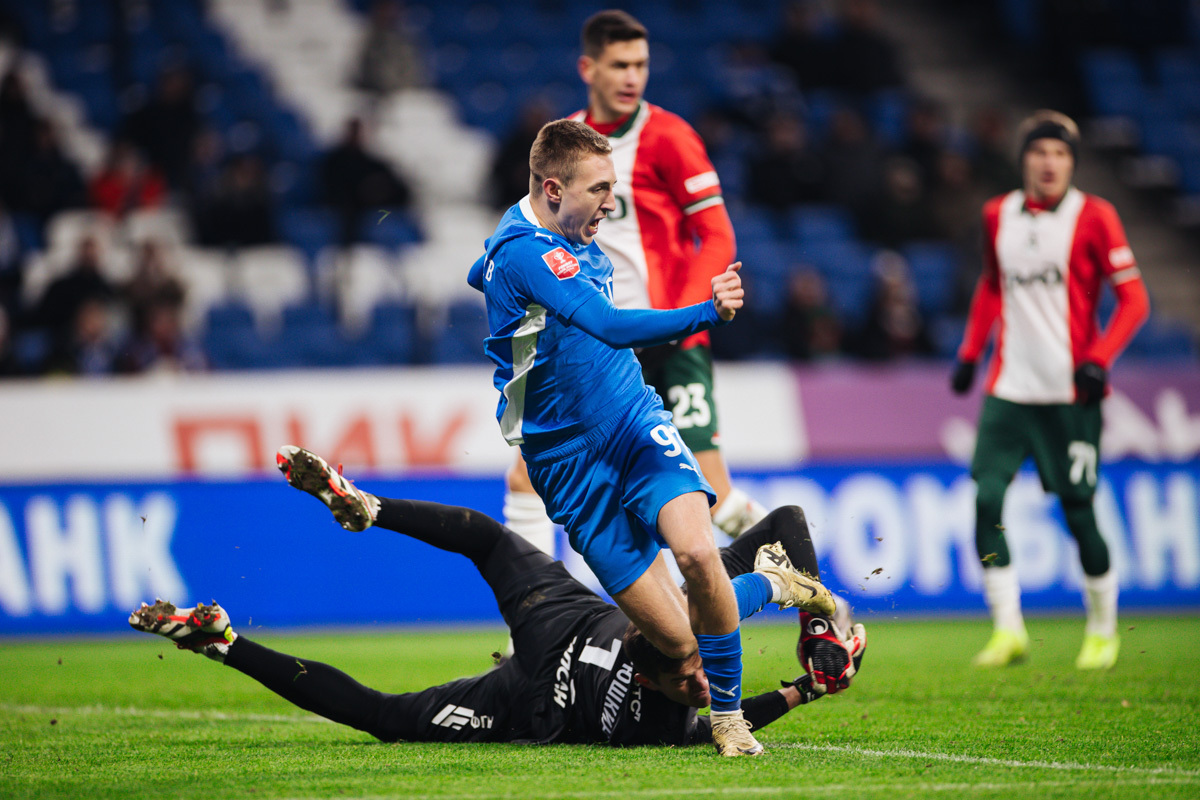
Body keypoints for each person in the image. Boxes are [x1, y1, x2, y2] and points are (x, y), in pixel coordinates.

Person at [470, 118, 835, 756]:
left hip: (634, 423)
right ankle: (775, 580)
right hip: (566, 468)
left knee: (697, 556)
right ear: (553, 190)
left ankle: (728, 720)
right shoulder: (528, 250)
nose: (611, 203)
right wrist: (708, 311)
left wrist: (488, 267)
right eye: (600, 190)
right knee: (680, 642)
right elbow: (607, 324)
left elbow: (483, 270)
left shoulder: (548, 233)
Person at [130, 446, 866, 748]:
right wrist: (804, 687)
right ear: (651, 675)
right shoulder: (671, 705)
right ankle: (365, 512)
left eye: (696, 678)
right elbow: (713, 727)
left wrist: (812, 657)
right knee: (480, 540)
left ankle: (227, 639)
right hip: (549, 648)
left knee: (390, 719)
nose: (705, 682)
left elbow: (789, 523)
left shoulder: (681, 652)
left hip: (543, 661)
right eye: (695, 680)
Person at [500, 10, 769, 569]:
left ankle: (809, 583)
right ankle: (527, 629)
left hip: (670, 339)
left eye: (641, 65)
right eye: (619, 65)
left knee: (713, 490)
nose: (632, 77)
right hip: (600, 339)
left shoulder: (670, 138)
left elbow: (716, 231)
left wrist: (686, 312)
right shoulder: (570, 149)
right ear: (587, 68)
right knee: (526, 472)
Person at [951, 110, 1150, 671]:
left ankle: (1104, 630)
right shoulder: (999, 215)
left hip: (1070, 396)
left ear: (1071, 163)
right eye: (1039, 152)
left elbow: (1134, 301)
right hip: (1009, 389)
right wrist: (971, 352)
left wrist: (1099, 359)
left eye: (1059, 154)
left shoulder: (1096, 217)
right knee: (986, 499)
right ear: (1024, 161)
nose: (1048, 162)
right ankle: (1008, 628)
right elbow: (992, 284)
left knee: (1078, 509)